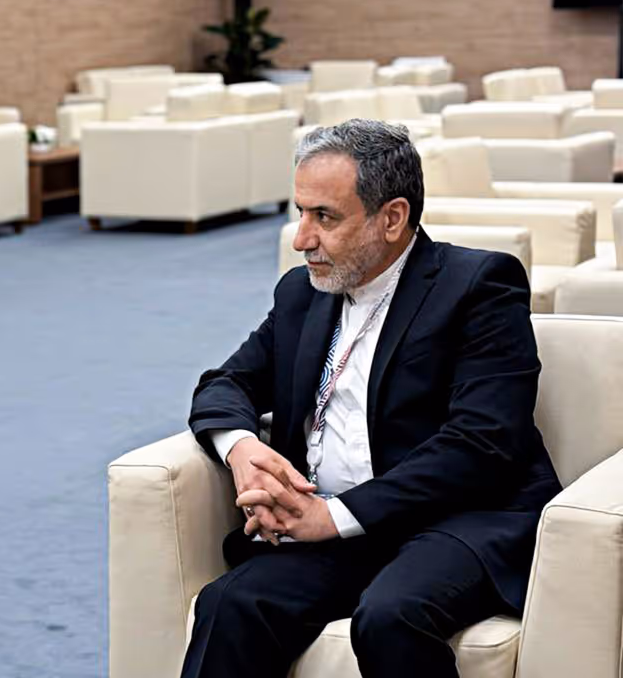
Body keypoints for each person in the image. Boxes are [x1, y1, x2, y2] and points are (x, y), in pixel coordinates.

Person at [182, 119, 560, 678]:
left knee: (390, 616)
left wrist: (333, 517)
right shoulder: (302, 292)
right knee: (231, 604)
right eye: (301, 212)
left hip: (455, 521)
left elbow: (484, 442)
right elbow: (225, 382)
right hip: (328, 525)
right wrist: (241, 449)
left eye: (325, 217)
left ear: (392, 218)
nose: (301, 238)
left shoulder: (478, 285)